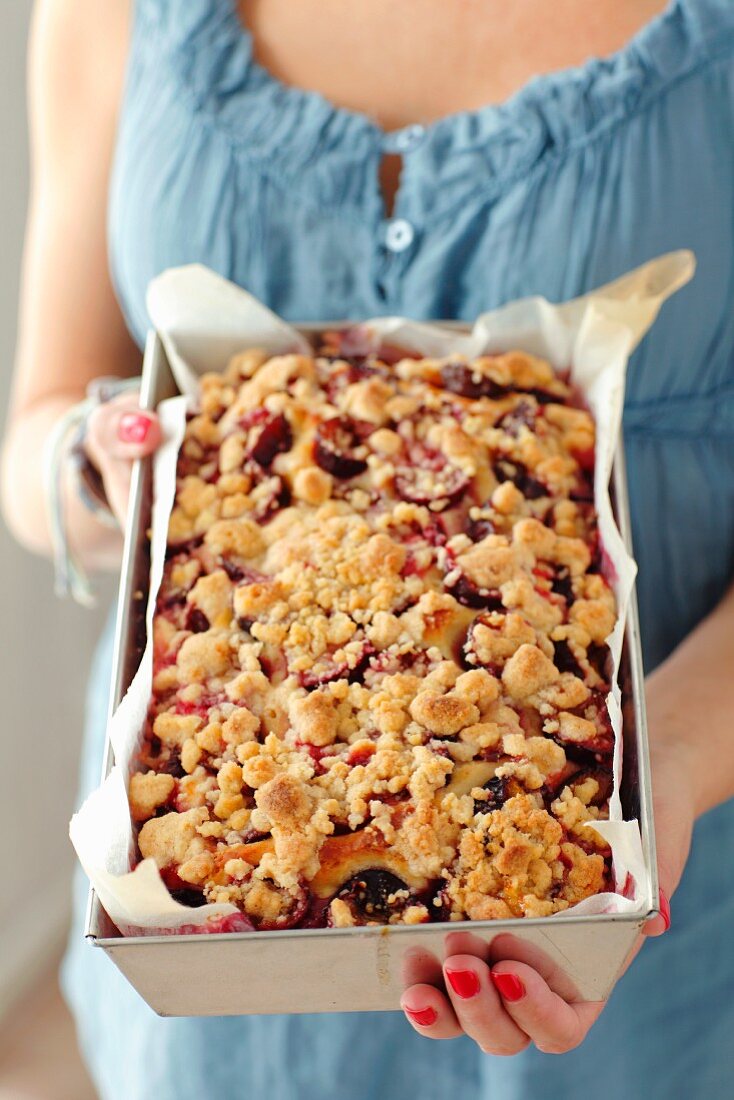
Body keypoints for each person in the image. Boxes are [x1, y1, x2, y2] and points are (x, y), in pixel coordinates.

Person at [2, 0, 733, 1096]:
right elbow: (39, 431)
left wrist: (663, 758)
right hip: (224, 986)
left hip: (669, 857)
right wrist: (97, 459)